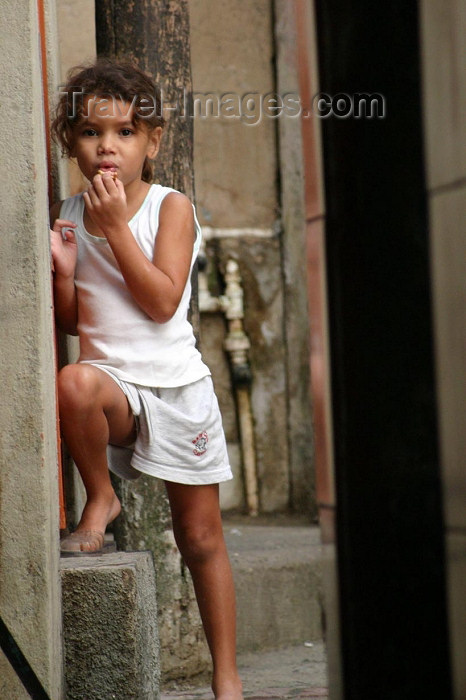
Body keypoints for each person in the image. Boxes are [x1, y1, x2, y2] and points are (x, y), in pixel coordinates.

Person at [50, 59, 243, 699]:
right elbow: (75, 321)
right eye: (89, 133)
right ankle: (100, 497)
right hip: (114, 390)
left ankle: (226, 677)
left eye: (125, 133)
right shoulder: (70, 211)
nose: (107, 146)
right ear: (69, 143)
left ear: (152, 142)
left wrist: (113, 232)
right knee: (73, 381)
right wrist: (60, 271)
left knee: (200, 538)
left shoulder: (171, 206)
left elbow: (161, 303)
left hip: (176, 389)